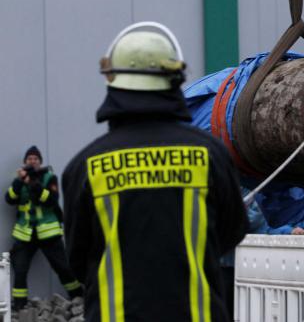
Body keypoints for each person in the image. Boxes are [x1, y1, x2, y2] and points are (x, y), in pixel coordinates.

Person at [62, 22, 249, 322]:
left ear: (112, 81)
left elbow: (77, 258)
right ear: (175, 80)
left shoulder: (85, 166)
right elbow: (231, 233)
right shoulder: (210, 156)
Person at [5, 146, 82, 310]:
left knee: (62, 267)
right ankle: (19, 307)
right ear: (25, 162)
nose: (32, 161)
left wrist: (32, 183)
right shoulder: (19, 180)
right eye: (29, 159)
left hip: (48, 233)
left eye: (35, 159)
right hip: (25, 233)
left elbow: (51, 199)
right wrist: (20, 181)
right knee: (20, 269)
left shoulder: (49, 177)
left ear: (40, 162)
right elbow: (10, 198)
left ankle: (78, 298)